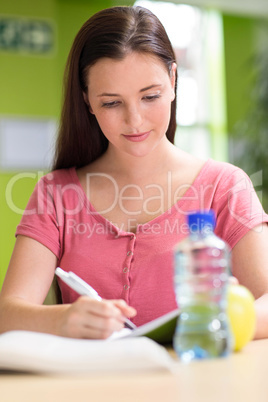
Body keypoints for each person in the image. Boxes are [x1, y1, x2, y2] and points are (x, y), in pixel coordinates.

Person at [0, 5, 268, 340]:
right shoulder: (55, 194)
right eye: (112, 103)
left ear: (172, 80)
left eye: (150, 96)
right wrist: (61, 320)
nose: (135, 120)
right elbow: (7, 314)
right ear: (86, 100)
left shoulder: (225, 186)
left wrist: (222, 316)